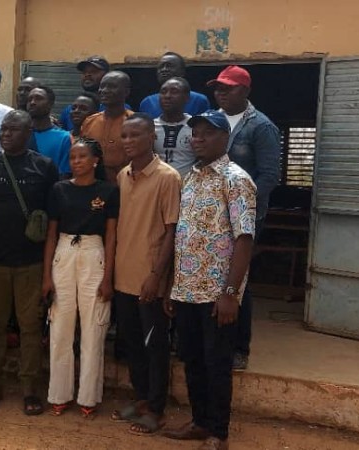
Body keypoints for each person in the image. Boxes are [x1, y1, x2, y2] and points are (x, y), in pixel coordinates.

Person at [163, 110, 256, 450]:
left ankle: (219, 432)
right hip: (187, 289)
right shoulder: (191, 177)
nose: (198, 138)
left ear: (224, 138)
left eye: (207, 133)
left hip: (217, 293)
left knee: (217, 363)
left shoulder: (236, 179)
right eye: (195, 133)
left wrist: (230, 293)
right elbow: (183, 236)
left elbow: (244, 238)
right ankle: (200, 422)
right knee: (192, 359)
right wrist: (173, 287)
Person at [0, 110, 59, 414]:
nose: (5, 134)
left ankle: (30, 386)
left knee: (30, 326)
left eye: (13, 130)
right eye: (3, 130)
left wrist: (48, 268)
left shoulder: (44, 167)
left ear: (29, 131)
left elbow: (51, 221)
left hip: (30, 263)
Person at [111, 113, 182, 436]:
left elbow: (172, 231)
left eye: (135, 135)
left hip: (149, 278)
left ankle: (156, 408)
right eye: (124, 136)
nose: (128, 141)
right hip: (123, 276)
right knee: (133, 346)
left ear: (151, 136)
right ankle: (140, 399)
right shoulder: (123, 176)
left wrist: (157, 275)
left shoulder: (168, 178)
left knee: (155, 347)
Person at [209, 65, 280, 371]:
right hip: (210, 214)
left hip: (245, 216)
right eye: (218, 88)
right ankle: (214, 340)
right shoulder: (211, 121)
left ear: (246, 91)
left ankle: (240, 347)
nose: (221, 93)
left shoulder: (261, 127)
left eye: (228, 88)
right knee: (212, 274)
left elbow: (269, 176)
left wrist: (241, 205)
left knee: (238, 279)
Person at [43, 138, 118, 418]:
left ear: (95, 160)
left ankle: (88, 396)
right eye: (73, 157)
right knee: (60, 326)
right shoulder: (59, 190)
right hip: (63, 253)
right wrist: (46, 276)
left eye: (82, 156)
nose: (76, 161)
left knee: (93, 326)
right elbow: (51, 234)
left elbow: (111, 237)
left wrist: (108, 276)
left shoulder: (109, 191)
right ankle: (59, 393)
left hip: (93, 254)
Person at [81, 71, 134, 184]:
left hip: (125, 187)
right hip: (93, 188)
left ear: (126, 92)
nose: (104, 91)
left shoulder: (134, 122)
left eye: (111, 87)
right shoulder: (89, 122)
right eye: (102, 86)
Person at [139, 52, 211, 118]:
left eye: (169, 66)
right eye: (161, 67)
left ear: (182, 71)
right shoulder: (147, 102)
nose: (164, 69)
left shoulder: (199, 100)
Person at [26, 86, 72, 177]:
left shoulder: (64, 138)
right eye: (29, 99)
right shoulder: (21, 134)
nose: (32, 102)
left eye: (38, 98)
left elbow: (65, 174)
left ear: (50, 104)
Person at [154, 78, 196, 177]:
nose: (167, 96)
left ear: (187, 97)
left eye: (174, 92)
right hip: (158, 188)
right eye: (163, 92)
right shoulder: (150, 127)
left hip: (187, 188)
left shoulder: (195, 126)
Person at [58, 56, 108, 132]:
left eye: (94, 71)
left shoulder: (117, 109)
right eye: (84, 72)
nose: (87, 75)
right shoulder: (70, 110)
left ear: (107, 76)